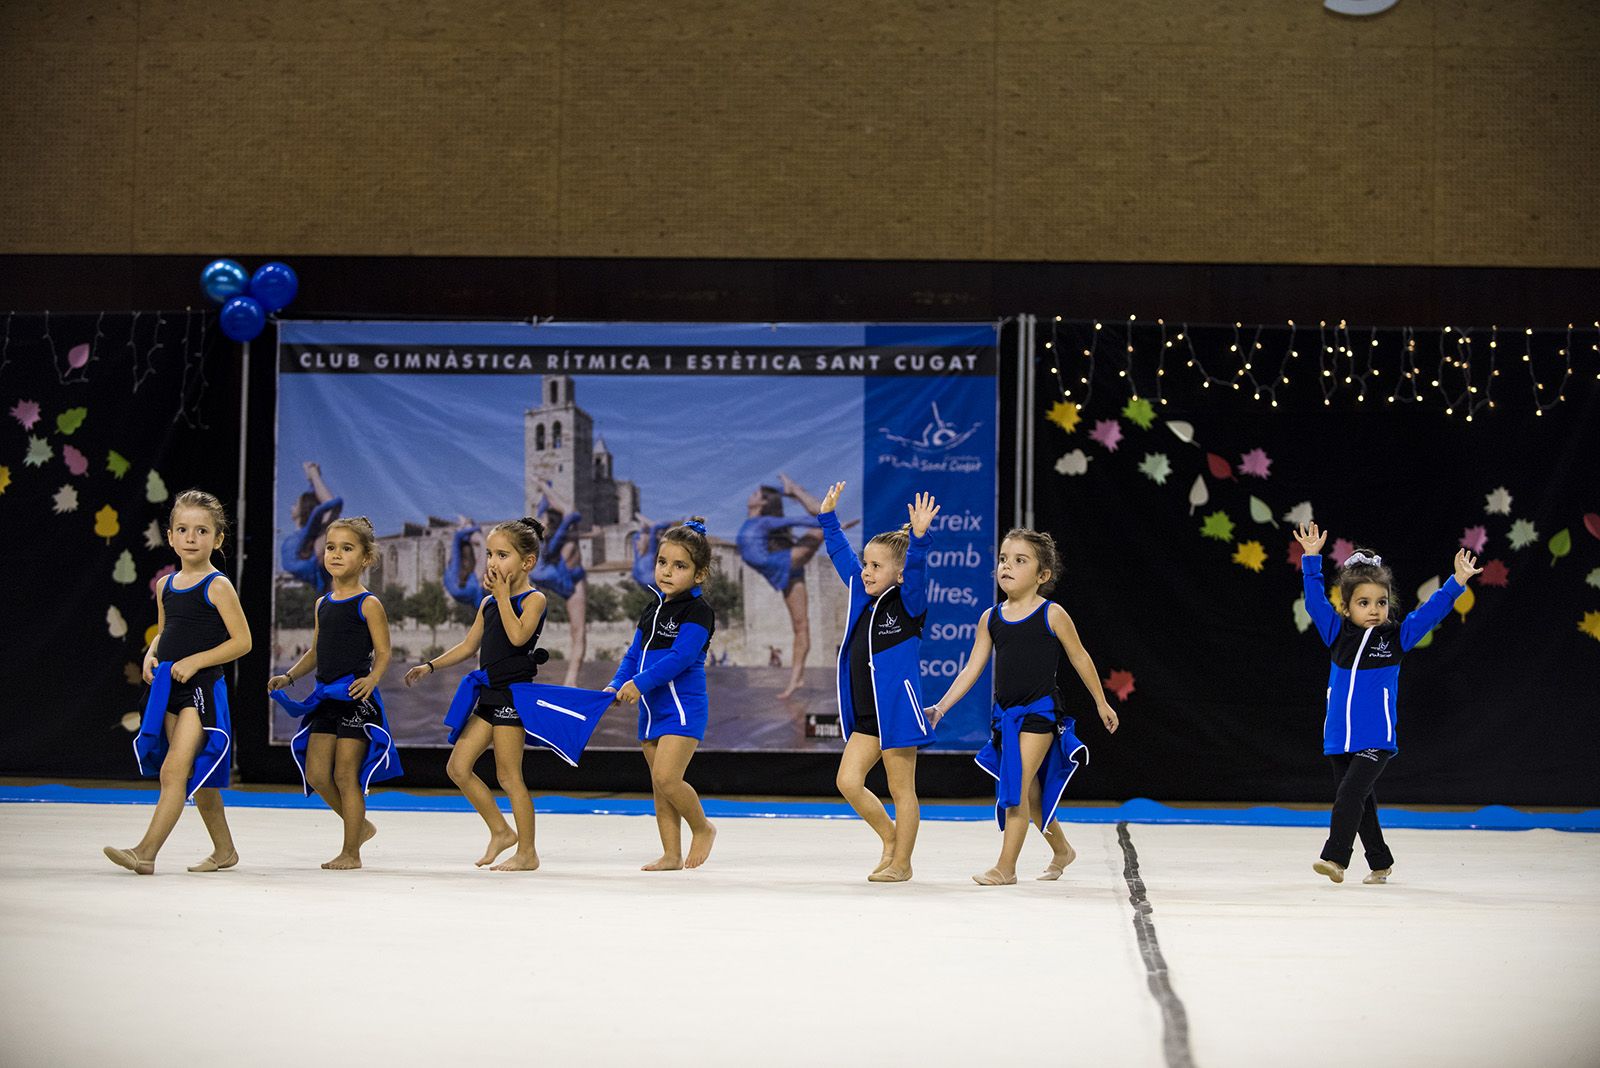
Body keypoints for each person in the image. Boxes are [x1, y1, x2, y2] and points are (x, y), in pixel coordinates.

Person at [926, 529, 1119, 885]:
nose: (1007, 566)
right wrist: (940, 707)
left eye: (1019, 560)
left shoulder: (1052, 614)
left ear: (1042, 575)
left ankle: (1006, 868)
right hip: (1006, 718)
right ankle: (1063, 850)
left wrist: (1101, 701)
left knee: (1015, 786)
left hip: (1039, 714)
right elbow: (971, 669)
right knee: (1032, 795)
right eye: (1003, 559)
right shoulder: (991, 618)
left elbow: (1080, 657)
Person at [1296, 522, 1480, 885]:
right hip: (1339, 739)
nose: (1374, 610)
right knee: (1361, 802)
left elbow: (1430, 612)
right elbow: (1315, 602)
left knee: (1350, 794)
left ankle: (1335, 858)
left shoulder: (1396, 638)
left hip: (1375, 739)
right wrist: (1311, 560)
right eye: (1363, 603)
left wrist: (1457, 582)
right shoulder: (1336, 633)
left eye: (1381, 602)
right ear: (1346, 607)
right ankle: (1380, 862)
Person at [104, 490, 251, 875]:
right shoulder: (165, 585)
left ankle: (145, 853)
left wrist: (196, 661)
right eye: (183, 529)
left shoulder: (217, 585)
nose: (191, 537)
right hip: (170, 687)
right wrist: (151, 654)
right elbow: (166, 632)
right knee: (198, 777)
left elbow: (242, 641)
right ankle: (225, 850)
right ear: (170, 536)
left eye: (202, 530)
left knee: (174, 771)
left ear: (217, 539)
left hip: (202, 691)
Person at [404, 518, 549, 870]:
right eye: (489, 554)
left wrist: (501, 597)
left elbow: (518, 637)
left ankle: (527, 852)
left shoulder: (534, 599)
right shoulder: (488, 604)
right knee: (458, 767)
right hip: (489, 694)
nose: (493, 562)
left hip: (513, 696)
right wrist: (430, 666)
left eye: (503, 555)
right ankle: (500, 831)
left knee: (509, 776)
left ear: (527, 562)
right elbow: (469, 646)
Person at [818, 481, 940, 882]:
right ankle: (890, 837)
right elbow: (841, 555)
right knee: (847, 781)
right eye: (866, 564)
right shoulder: (861, 594)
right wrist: (828, 519)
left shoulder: (909, 603)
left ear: (899, 575)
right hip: (868, 716)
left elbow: (917, 570)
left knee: (901, 789)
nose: (866, 572)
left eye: (875, 566)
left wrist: (918, 539)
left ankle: (902, 863)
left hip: (897, 712)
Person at [268, 516, 401, 869]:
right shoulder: (322, 603)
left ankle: (351, 852)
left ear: (365, 558)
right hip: (327, 698)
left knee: (345, 775)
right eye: (330, 547)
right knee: (315, 774)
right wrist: (289, 676)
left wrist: (372, 680)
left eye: (346, 548)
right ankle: (361, 827)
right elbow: (315, 651)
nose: (336, 554)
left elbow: (384, 652)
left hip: (355, 698)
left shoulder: (368, 603)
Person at [606, 519, 718, 871]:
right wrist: (616, 683)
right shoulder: (652, 609)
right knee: (660, 785)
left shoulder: (699, 612)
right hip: (651, 711)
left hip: (682, 710)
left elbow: (681, 658)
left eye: (680, 566)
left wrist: (639, 684)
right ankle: (671, 854)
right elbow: (633, 655)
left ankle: (703, 827)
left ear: (699, 574)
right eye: (662, 562)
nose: (667, 571)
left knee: (669, 778)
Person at [736, 475, 828, 699]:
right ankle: (797, 679)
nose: (751, 495)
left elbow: (806, 520)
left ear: (762, 502)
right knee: (800, 626)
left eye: (756, 494)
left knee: (825, 519)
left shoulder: (763, 522)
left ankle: (796, 489)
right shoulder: (759, 524)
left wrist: (792, 492)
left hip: (783, 562)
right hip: (785, 568)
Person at [531, 480, 588, 687]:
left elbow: (567, 510)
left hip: (570, 580)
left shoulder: (567, 527)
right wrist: (544, 486)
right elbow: (553, 508)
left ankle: (571, 680)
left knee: (577, 630)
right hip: (555, 577)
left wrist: (544, 486)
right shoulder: (545, 539)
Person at [280, 460, 342, 592]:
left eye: (295, 503)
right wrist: (312, 479)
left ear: (303, 510)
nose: (291, 506)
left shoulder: (314, 539)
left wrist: (314, 475)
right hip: (307, 564)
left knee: (331, 518)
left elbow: (332, 504)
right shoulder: (304, 536)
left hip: (311, 564)